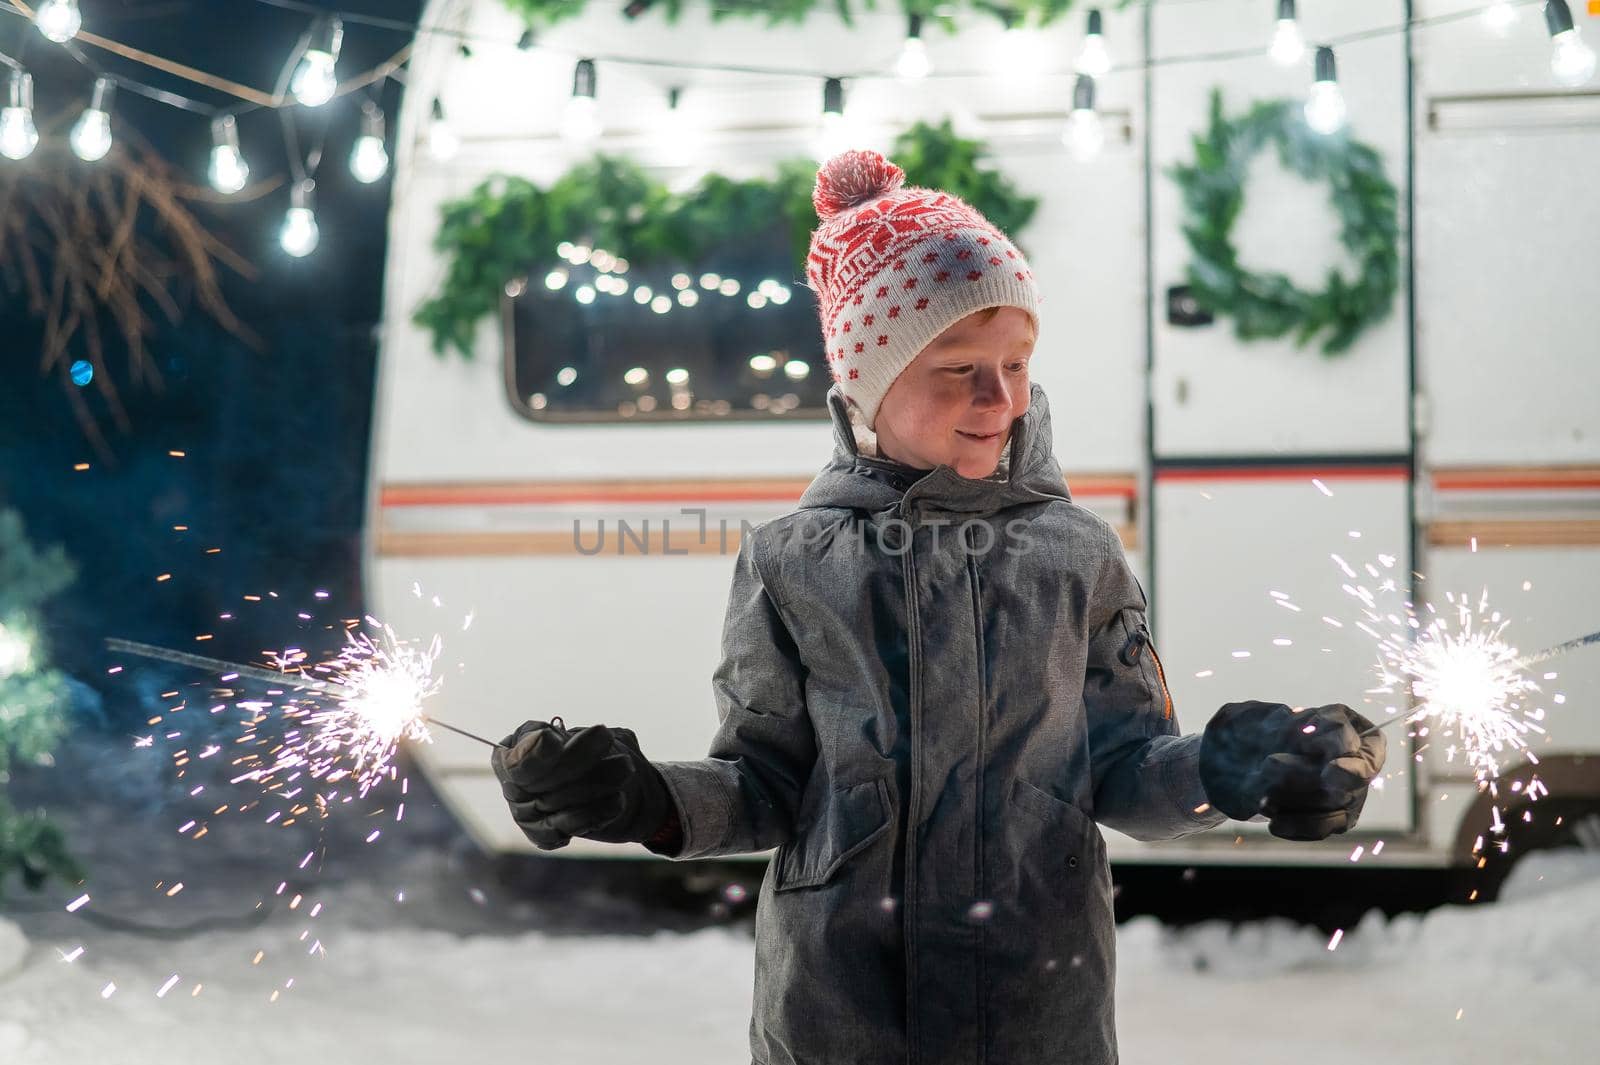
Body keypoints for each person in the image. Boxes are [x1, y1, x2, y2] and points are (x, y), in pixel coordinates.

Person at [491, 149, 1387, 1065]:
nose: (999, 397)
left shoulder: (1076, 555)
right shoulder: (791, 561)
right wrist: (645, 799)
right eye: (958, 367)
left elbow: (1125, 770)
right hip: (841, 1019)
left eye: (1015, 361)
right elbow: (763, 787)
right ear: (869, 383)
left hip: (1037, 1018)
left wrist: (1232, 767)